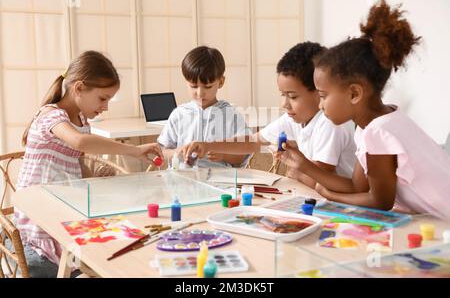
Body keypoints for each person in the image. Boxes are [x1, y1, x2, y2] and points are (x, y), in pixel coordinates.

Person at [280, 0, 450, 220]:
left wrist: (330, 195)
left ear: (354, 94)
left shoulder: (377, 132)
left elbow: (380, 202)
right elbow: (356, 186)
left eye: (323, 96)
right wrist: (304, 164)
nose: (320, 105)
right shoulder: (379, 121)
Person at [15, 50, 163, 276]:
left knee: (123, 241)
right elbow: (80, 142)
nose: (105, 107)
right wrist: (133, 150)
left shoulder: (81, 120)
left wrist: (94, 176)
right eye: (103, 98)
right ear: (79, 88)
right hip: (39, 219)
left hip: (62, 206)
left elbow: (78, 164)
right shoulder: (51, 116)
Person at [181, 42, 356, 188]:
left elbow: (318, 181)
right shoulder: (295, 118)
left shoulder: (331, 122)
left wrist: (297, 170)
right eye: (283, 95)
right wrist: (207, 145)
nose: (284, 104)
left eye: (293, 96)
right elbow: (253, 141)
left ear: (319, 90)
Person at [157, 46, 251, 168]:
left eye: (207, 87)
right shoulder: (179, 114)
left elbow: (242, 155)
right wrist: (177, 152)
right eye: (193, 86)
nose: (200, 93)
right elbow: (162, 151)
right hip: (184, 181)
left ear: (221, 82)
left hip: (220, 182)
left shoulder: (230, 115)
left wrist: (223, 155)